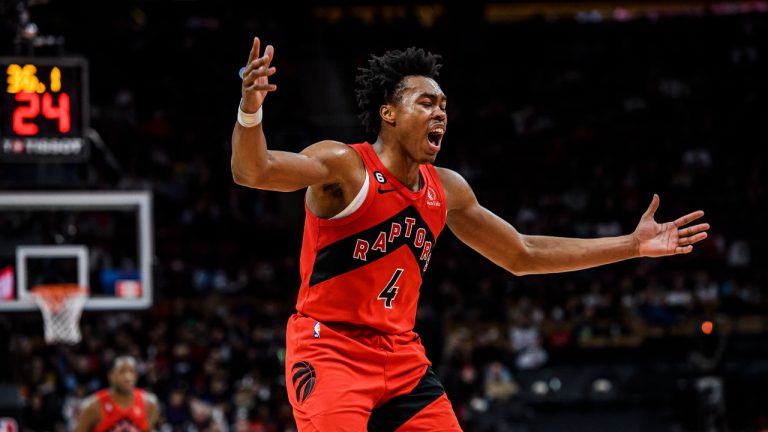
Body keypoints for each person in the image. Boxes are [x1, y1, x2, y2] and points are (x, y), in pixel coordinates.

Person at [231, 37, 709, 431]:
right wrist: (250, 110)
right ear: (388, 113)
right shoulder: (345, 166)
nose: (440, 113)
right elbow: (254, 170)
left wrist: (631, 245)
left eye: (443, 105)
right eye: (426, 102)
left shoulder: (449, 189)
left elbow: (522, 253)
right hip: (330, 348)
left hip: (401, 357)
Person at [74, 356, 159, 432]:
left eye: (132, 371)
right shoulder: (92, 406)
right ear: (110, 375)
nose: (128, 377)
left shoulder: (150, 403)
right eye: (122, 372)